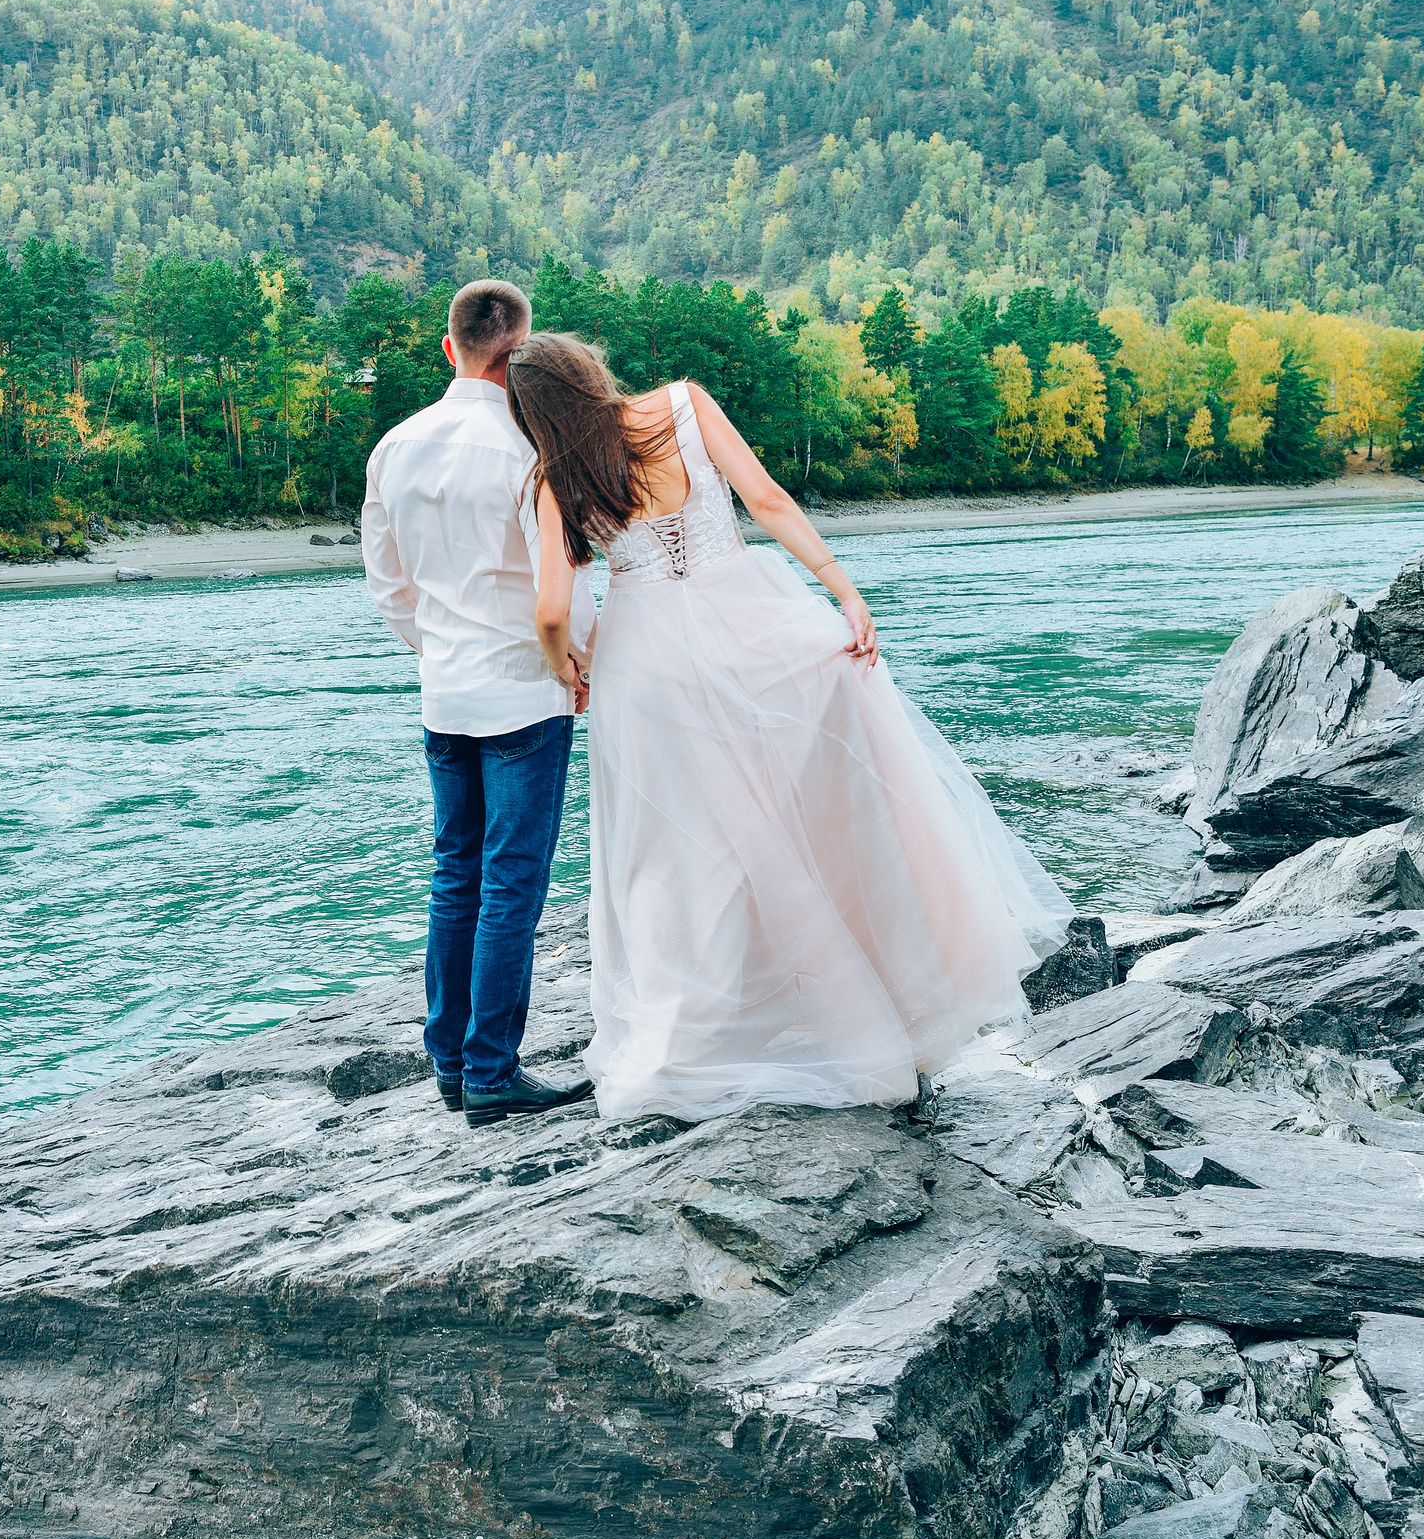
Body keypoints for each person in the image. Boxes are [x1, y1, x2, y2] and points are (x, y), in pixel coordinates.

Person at [508, 332, 1070, 1124]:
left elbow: (552, 610)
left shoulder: (555, 477)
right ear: (588, 370)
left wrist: (568, 667)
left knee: (678, 856)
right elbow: (767, 500)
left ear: (532, 412)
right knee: (813, 804)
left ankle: (696, 1036)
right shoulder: (682, 406)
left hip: (648, 668)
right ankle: (894, 1000)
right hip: (749, 621)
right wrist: (842, 590)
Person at [361, 281, 600, 1128]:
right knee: (511, 884)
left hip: (445, 692)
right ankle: (493, 1068)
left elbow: (388, 588)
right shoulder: (528, 452)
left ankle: (451, 1064)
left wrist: (441, 652)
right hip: (522, 692)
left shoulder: (393, 446)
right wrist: (573, 664)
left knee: (453, 873)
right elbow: (558, 598)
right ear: (522, 354)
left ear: (447, 346)